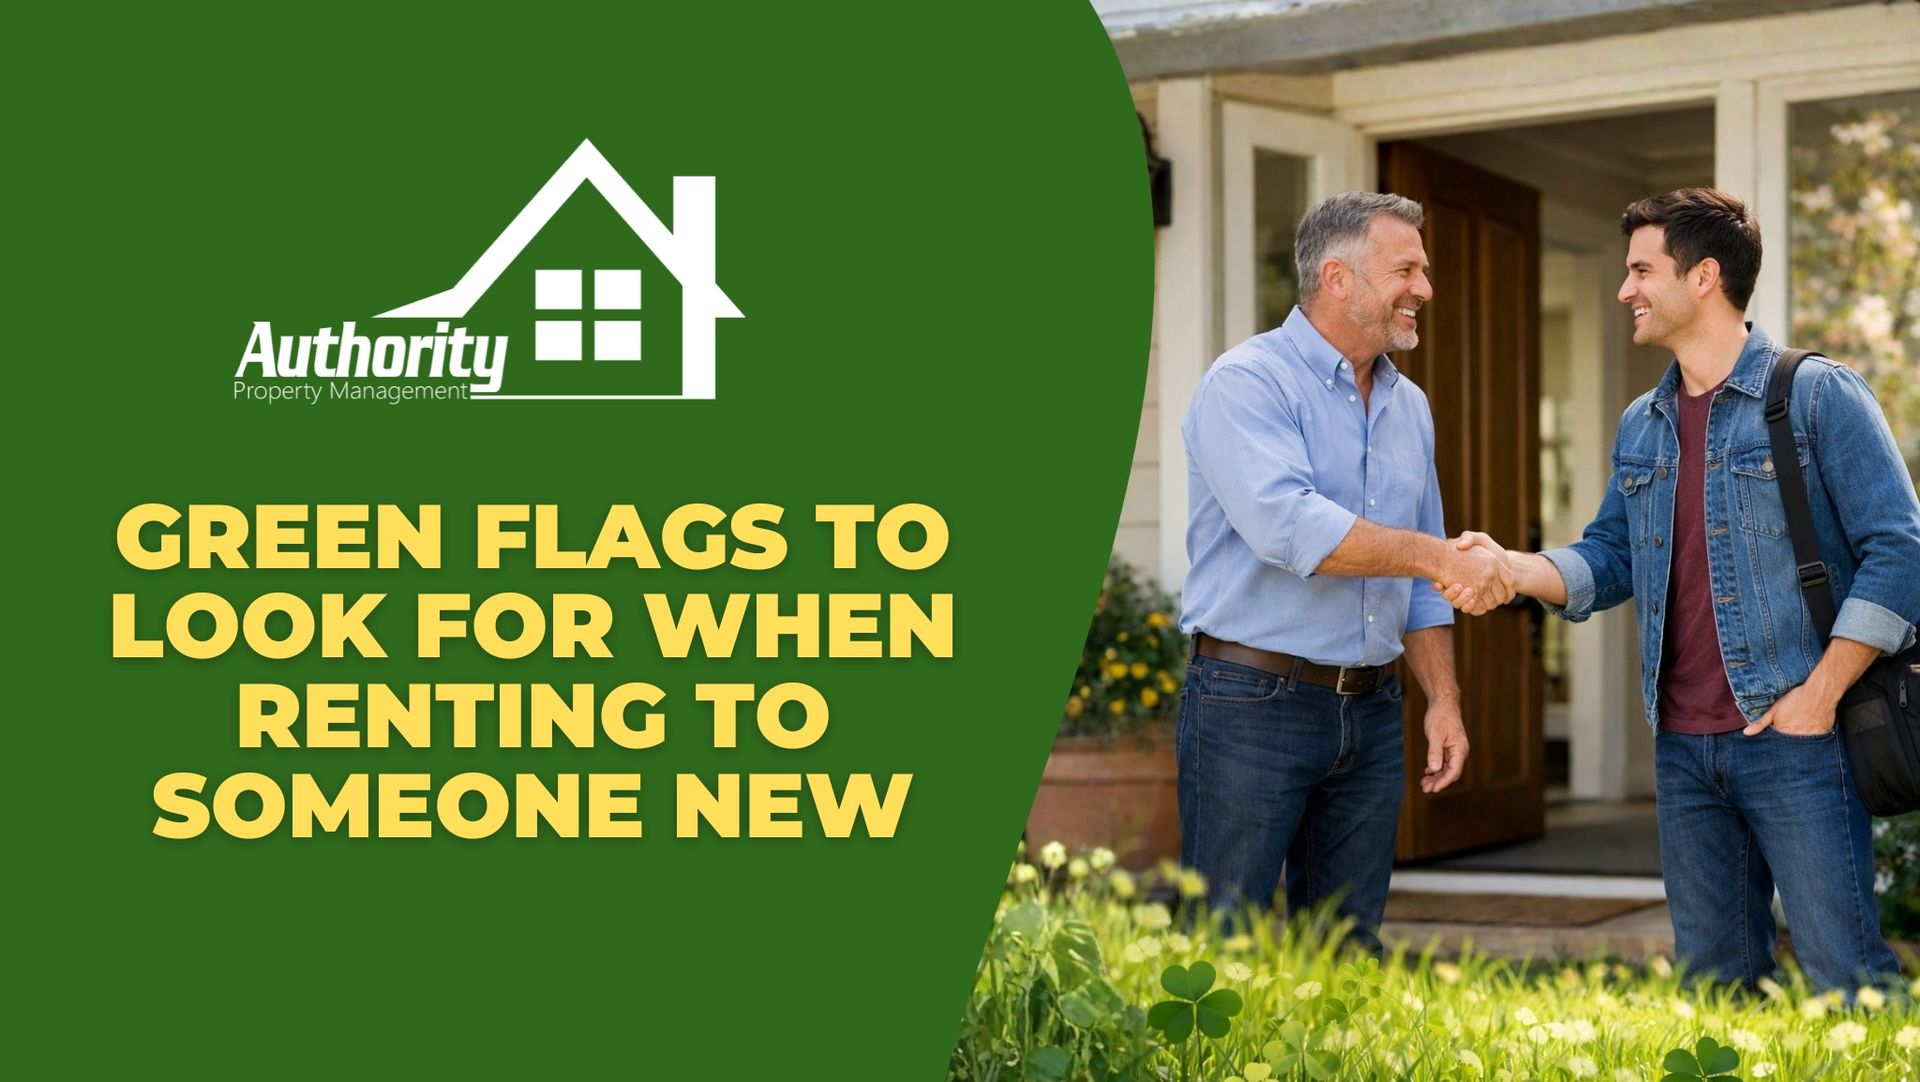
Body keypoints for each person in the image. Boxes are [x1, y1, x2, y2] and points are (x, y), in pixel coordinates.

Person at [1442, 188, 1919, 992]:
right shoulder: (1644, 421)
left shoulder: (1815, 395)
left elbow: (1900, 552)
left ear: (1703, 277)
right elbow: (1612, 555)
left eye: (1640, 270)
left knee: (1848, 977)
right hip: (1683, 746)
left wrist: (1821, 694)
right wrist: (1511, 567)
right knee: (1714, 981)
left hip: (1796, 736)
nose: (1625, 289)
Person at [1176, 191, 1515, 948]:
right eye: (1407, 269)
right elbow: (1292, 530)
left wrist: (1443, 700)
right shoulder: (1247, 383)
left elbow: (1421, 571)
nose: (1424, 288)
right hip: (1250, 703)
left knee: (1345, 946)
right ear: (1337, 279)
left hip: (1369, 708)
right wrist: (1439, 556)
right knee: (1220, 942)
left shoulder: (1410, 404)